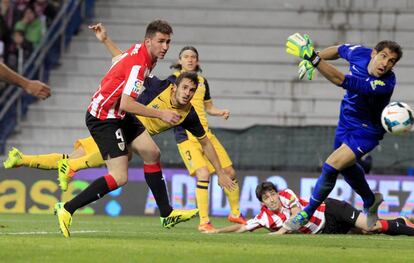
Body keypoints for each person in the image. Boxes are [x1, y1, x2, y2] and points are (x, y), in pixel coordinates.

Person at [283, 33, 403, 231]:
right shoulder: (360, 53)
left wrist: (313, 58)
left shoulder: (385, 83)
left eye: (391, 61)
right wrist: (316, 57)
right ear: (374, 53)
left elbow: (341, 80)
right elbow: (339, 50)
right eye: (383, 56)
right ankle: (371, 200)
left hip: (367, 131)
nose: (386, 63)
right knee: (345, 168)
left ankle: (306, 214)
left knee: (331, 165)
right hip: (346, 121)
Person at [170, 46, 246, 232]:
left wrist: (220, 112)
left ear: (197, 61)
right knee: (203, 174)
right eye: (186, 57)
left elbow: (208, 107)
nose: (190, 59)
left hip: (205, 134)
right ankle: (204, 221)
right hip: (186, 136)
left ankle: (235, 213)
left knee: (229, 172)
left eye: (193, 57)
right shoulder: (173, 80)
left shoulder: (202, 82)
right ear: (179, 61)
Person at [211, 182, 414, 236]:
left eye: (272, 193)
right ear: (262, 202)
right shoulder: (264, 217)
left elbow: (297, 216)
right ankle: (401, 222)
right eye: (266, 197)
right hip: (326, 229)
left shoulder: (287, 195)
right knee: (369, 232)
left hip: (331, 210)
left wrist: (281, 232)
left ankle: (408, 228)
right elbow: (242, 228)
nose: (272, 198)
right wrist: (217, 231)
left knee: (371, 227)